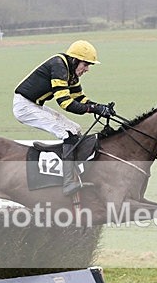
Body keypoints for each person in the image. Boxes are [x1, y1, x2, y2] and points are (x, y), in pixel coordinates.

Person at [13, 40, 116, 196]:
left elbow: (80, 98)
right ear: (75, 60)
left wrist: (101, 107)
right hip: (24, 106)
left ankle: (76, 173)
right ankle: (68, 182)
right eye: (85, 64)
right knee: (67, 133)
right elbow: (66, 103)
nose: (87, 69)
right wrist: (94, 109)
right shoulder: (59, 66)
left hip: (34, 105)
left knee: (75, 129)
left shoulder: (71, 72)